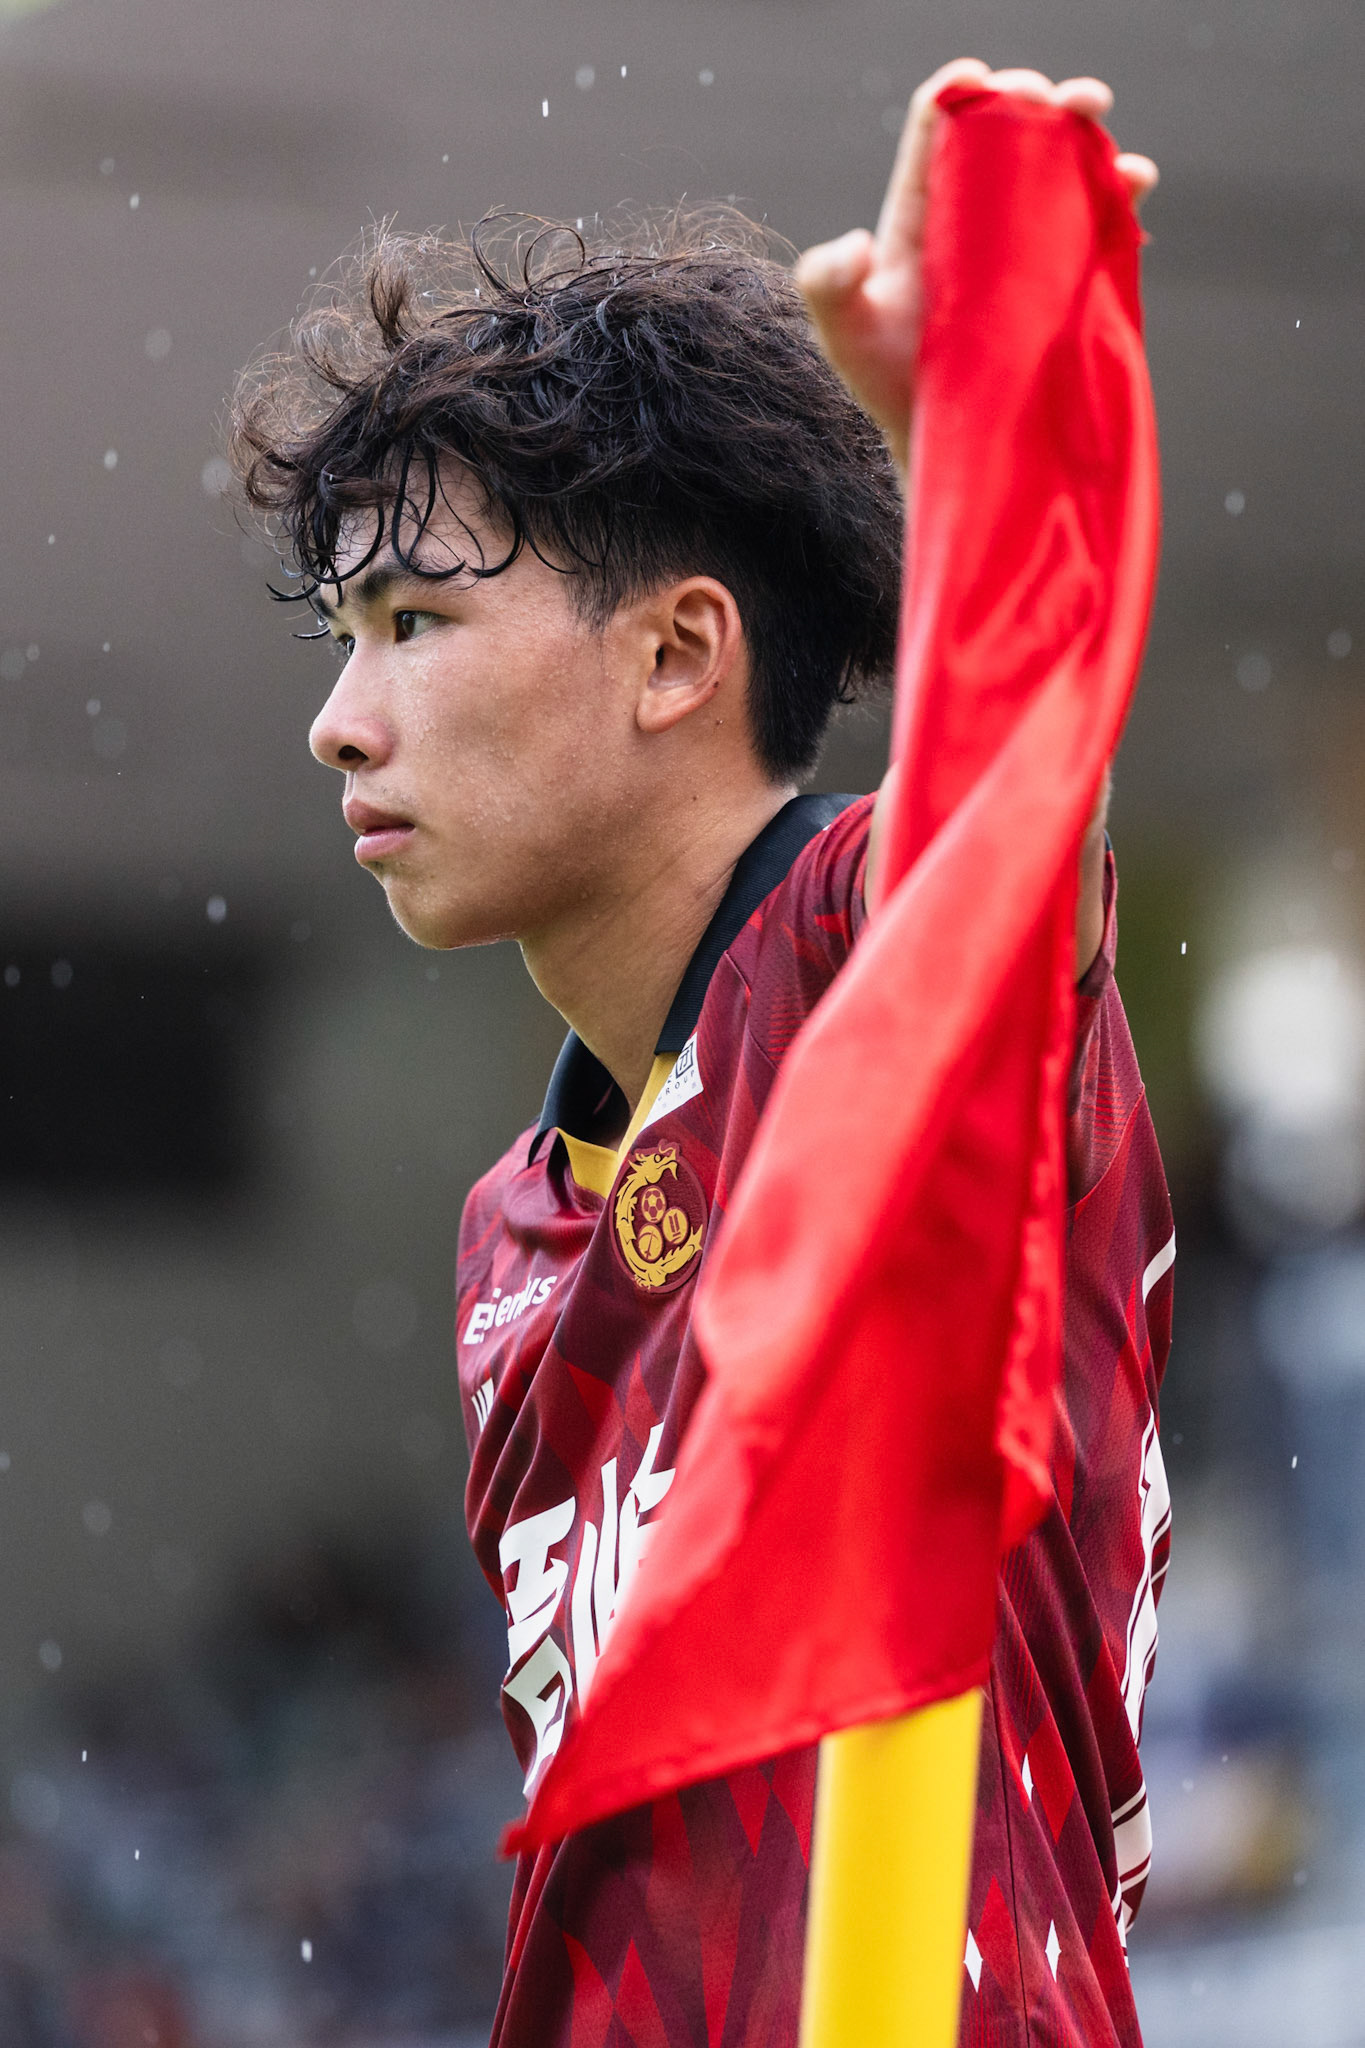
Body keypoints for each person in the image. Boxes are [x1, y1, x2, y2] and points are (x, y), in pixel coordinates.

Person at [230, 57, 1172, 2048]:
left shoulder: (871, 964)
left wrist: (979, 428)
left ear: (675, 654)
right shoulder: (513, 1230)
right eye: (340, 635)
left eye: (411, 621)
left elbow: (1011, 798)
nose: (338, 717)